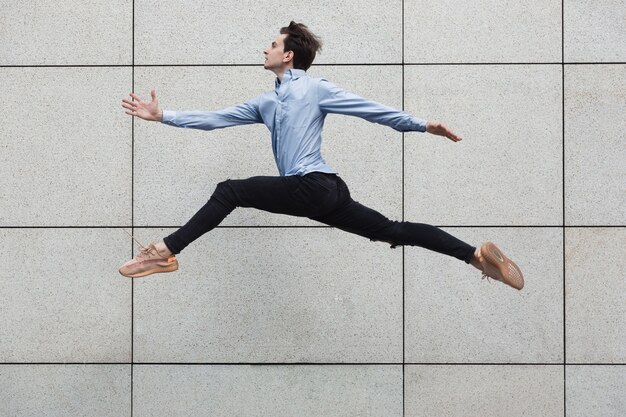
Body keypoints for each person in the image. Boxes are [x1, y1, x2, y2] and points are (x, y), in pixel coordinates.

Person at [119, 21, 524, 290]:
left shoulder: (315, 88)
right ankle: (475, 257)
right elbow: (215, 119)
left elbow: (371, 109)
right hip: (326, 195)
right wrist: (163, 116)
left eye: (273, 44)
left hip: (312, 186)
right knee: (392, 231)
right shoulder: (265, 102)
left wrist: (422, 125)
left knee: (230, 190)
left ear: (289, 55)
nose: (266, 49)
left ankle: (165, 253)